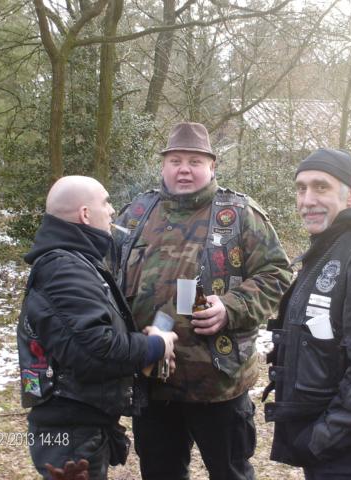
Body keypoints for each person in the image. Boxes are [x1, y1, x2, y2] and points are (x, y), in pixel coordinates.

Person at [113, 122, 292, 480]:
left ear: (212, 166)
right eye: (175, 160)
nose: (184, 169)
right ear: (163, 165)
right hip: (154, 381)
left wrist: (231, 307)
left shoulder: (239, 214)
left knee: (230, 473)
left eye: (194, 161)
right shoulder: (136, 213)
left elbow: (277, 274)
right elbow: (107, 277)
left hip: (219, 382)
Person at [16, 175, 178, 480]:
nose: (113, 210)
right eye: (106, 202)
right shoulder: (64, 268)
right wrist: (155, 345)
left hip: (79, 426)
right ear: (85, 214)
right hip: (70, 433)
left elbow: (87, 336)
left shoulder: (76, 261)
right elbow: (94, 350)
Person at [264, 148, 351, 480]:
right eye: (301, 188)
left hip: (348, 453)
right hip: (326, 444)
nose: (307, 200)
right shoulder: (330, 248)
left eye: (321, 187)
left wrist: (321, 438)